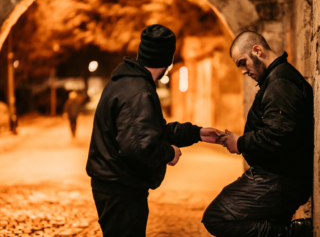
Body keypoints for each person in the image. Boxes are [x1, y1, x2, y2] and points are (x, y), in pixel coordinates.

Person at [86, 24, 220, 237]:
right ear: (168, 60)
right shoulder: (139, 91)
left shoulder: (126, 82)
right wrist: (170, 153)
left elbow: (152, 130)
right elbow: (139, 148)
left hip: (113, 185)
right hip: (121, 189)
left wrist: (196, 133)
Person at [202, 31, 314, 237]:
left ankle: (299, 233)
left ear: (257, 50)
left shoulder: (280, 83)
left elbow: (280, 136)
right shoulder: (275, 80)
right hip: (277, 176)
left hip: (279, 179)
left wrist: (242, 142)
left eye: (243, 62)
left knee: (216, 217)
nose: (243, 71)